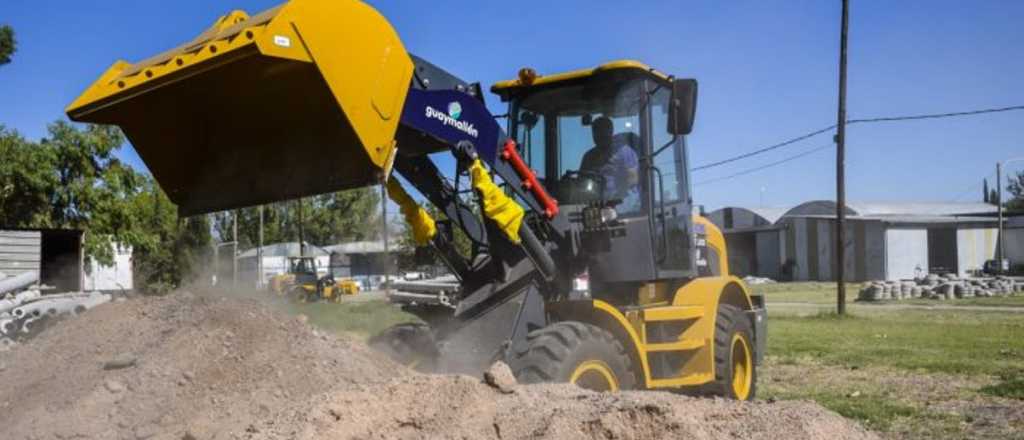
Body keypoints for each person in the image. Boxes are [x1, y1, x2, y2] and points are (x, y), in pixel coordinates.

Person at [579, 116, 640, 209]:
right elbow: (581, 182)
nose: (599, 134)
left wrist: (615, 198)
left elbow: (633, 179)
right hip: (596, 206)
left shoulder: (624, 151)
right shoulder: (588, 157)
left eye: (603, 130)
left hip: (623, 204)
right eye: (596, 131)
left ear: (611, 131)